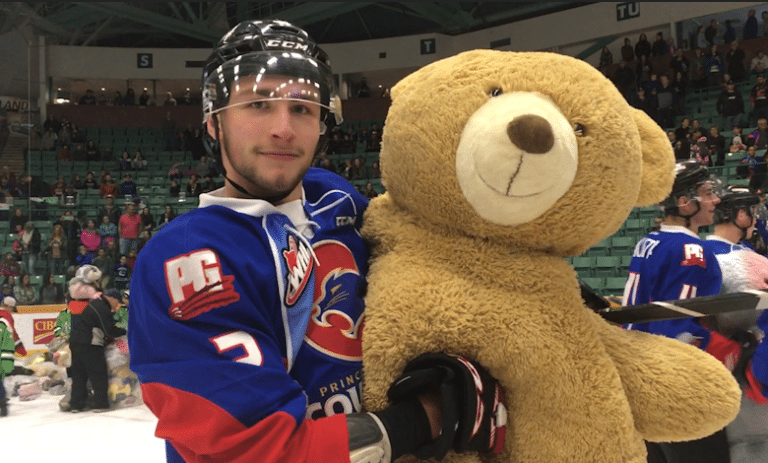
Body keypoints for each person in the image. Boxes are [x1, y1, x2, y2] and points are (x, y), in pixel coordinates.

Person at [127, 19, 503, 463]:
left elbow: (421, 258)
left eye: (303, 107)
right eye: (259, 104)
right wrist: (425, 418)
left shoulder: (334, 196)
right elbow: (260, 451)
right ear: (214, 123)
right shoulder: (185, 258)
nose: (283, 128)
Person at [623, 161, 728, 463]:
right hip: (675, 382)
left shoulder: (648, 241)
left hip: (638, 371)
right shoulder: (693, 252)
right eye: (708, 194)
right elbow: (680, 328)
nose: (715, 200)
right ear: (684, 203)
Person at [699, 187, 768, 463]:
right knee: (753, 445)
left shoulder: (697, 251)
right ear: (740, 215)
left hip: (714, 366)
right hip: (744, 368)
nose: (755, 219)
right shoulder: (744, 260)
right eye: (752, 213)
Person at [67, 265, 126, 412]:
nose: (116, 305)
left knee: (79, 375)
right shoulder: (99, 305)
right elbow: (109, 329)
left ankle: (76, 404)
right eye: (116, 301)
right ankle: (101, 403)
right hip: (90, 343)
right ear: (110, 298)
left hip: (75, 342)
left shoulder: (90, 304)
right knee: (98, 373)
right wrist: (124, 332)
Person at [0, 296, 27, 417]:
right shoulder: (6, 317)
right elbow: (12, 335)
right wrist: (21, 350)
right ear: (9, 306)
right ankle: (2, 401)